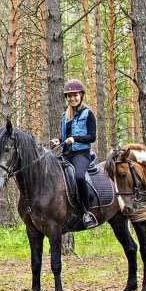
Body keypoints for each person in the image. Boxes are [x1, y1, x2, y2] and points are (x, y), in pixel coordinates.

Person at [50, 78, 99, 229]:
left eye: (75, 95)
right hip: (66, 155)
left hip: (81, 154)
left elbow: (92, 136)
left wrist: (75, 139)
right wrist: (58, 141)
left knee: (78, 176)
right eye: (69, 96)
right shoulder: (65, 116)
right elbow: (65, 137)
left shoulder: (88, 114)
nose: (72, 98)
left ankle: (86, 212)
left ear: (81, 95)